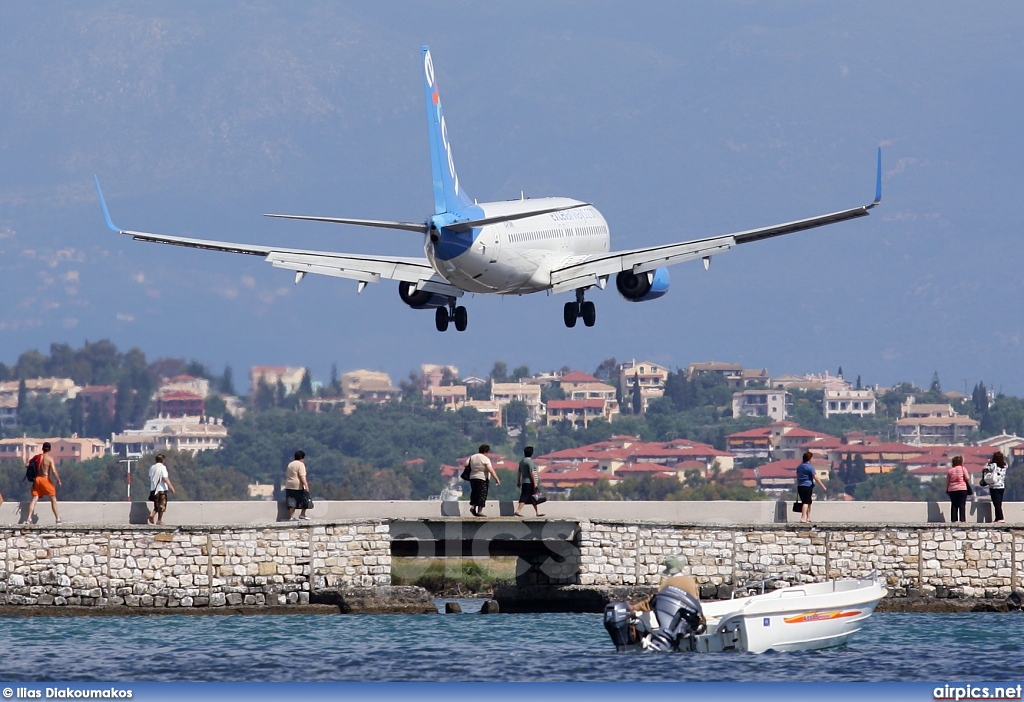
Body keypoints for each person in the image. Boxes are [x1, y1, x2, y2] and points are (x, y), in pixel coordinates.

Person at [27, 442, 62, 525]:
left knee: (35, 498)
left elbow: (27, 465)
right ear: (49, 449)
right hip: (45, 479)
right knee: (53, 498)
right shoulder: (49, 459)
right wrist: (58, 479)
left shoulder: (37, 457)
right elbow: (53, 471)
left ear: (42, 448)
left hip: (37, 480)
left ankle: (28, 518)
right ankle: (58, 519)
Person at [467, 444, 500, 517]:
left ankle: (473, 506)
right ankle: (479, 511)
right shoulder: (485, 459)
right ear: (486, 451)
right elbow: (490, 470)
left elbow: (465, 464)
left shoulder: (472, 457)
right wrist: (496, 479)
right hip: (482, 478)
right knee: (482, 494)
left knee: (475, 493)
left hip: (473, 477)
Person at [796, 451, 827, 523]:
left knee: (808, 502)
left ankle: (808, 517)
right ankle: (803, 518)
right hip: (807, 486)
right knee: (805, 502)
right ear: (809, 458)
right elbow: (816, 477)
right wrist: (823, 486)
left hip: (800, 486)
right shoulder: (810, 467)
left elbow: (797, 477)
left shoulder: (799, 467)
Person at [514, 446, 544, 517]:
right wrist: (535, 482)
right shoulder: (529, 461)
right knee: (525, 496)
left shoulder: (522, 462)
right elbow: (531, 472)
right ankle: (518, 510)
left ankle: (538, 512)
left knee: (533, 497)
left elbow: (519, 472)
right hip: (529, 482)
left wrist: (518, 481)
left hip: (524, 481)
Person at [147, 453, 176, 525]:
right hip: (161, 489)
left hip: (153, 489)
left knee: (156, 504)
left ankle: (152, 515)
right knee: (162, 505)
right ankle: (159, 520)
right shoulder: (162, 467)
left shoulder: (152, 467)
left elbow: (150, 477)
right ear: (162, 460)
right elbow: (165, 478)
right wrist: (171, 487)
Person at [983, 451, 1008, 523]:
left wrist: (988, 463)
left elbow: (985, 469)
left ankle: (1000, 517)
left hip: (994, 486)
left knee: (996, 503)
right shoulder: (1005, 465)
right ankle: (997, 517)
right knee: (999, 503)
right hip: (1001, 486)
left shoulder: (993, 465)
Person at [285, 450, 310, 521]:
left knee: (291, 501)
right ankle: (302, 514)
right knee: (305, 500)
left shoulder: (290, 464)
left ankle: (291, 517)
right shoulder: (300, 465)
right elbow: (302, 476)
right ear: (302, 458)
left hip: (289, 485)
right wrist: (306, 485)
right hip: (297, 485)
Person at [946, 455, 971, 523]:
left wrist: (947, 489)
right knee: (962, 504)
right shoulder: (963, 469)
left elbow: (948, 481)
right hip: (962, 488)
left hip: (952, 489)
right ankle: (962, 520)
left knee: (954, 504)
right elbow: (967, 478)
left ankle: (954, 520)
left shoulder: (950, 470)